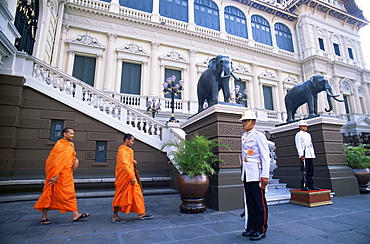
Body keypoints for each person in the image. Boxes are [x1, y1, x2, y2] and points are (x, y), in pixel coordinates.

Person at [34, 128, 90, 225]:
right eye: (71, 133)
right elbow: (54, 162)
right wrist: (55, 175)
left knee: (70, 194)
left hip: (66, 175)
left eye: (73, 134)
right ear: (64, 134)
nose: (73, 135)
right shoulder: (59, 145)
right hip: (56, 175)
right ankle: (44, 217)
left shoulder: (70, 145)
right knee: (49, 194)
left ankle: (75, 214)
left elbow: (71, 157)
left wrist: (76, 160)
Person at [239, 110, 269, 241]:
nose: (243, 123)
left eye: (245, 121)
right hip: (247, 173)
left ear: (253, 121)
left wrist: (265, 175)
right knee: (250, 202)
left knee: (259, 203)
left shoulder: (259, 136)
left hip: (257, 174)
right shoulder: (244, 136)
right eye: (243, 121)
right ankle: (251, 227)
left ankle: (260, 229)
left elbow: (265, 157)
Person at [111, 134, 153, 223]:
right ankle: (115, 216)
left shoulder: (129, 150)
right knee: (121, 196)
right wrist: (132, 176)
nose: (132, 143)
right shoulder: (122, 151)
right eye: (132, 141)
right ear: (127, 140)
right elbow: (124, 165)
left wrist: (132, 161)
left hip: (130, 176)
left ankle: (141, 213)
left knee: (137, 194)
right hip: (125, 177)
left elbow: (127, 161)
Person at [295, 120, 320, 191]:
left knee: (310, 171)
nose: (306, 127)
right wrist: (301, 155)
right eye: (304, 126)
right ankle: (304, 185)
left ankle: (311, 184)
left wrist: (312, 154)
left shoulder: (308, 134)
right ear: (300, 127)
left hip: (309, 154)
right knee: (304, 171)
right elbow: (298, 145)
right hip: (304, 154)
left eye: (306, 126)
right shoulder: (298, 134)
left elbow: (310, 144)